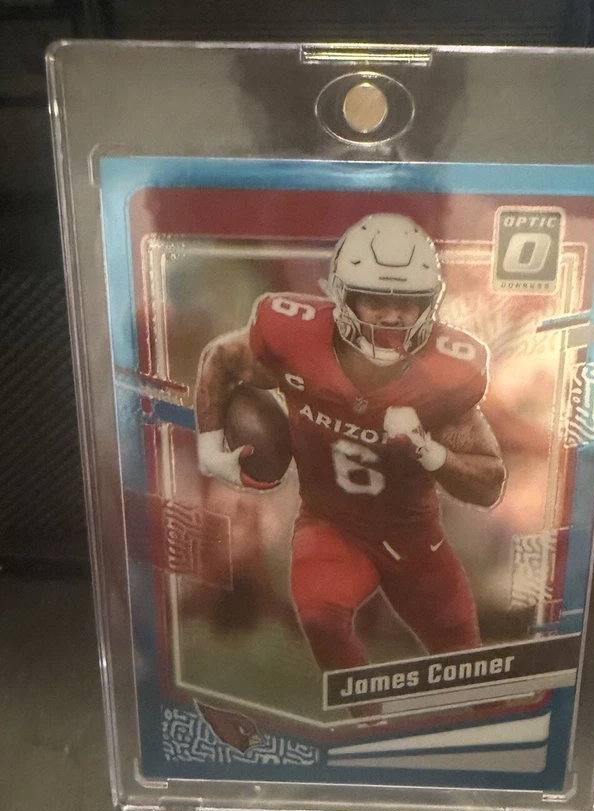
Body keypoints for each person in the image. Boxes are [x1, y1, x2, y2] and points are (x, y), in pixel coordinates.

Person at [195, 213, 506, 681]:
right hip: (329, 525)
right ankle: (366, 712)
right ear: (342, 296)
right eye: (375, 299)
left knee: (461, 655)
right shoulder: (297, 338)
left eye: (407, 302)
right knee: (320, 619)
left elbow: (488, 482)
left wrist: (428, 450)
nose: (391, 316)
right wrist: (209, 448)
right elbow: (221, 358)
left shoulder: (445, 374)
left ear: (430, 304)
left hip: (414, 536)